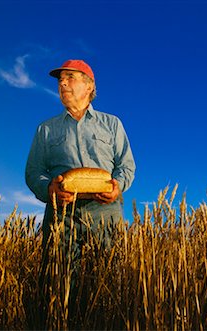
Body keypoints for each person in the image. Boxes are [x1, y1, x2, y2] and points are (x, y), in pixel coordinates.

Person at [25, 60, 136, 325]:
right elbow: (33, 172)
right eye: (60, 79)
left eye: (70, 78)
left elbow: (126, 165)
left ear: (89, 85)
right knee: (59, 283)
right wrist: (49, 188)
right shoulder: (46, 128)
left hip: (105, 212)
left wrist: (117, 186)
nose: (62, 83)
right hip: (62, 213)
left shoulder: (112, 124)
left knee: (108, 279)